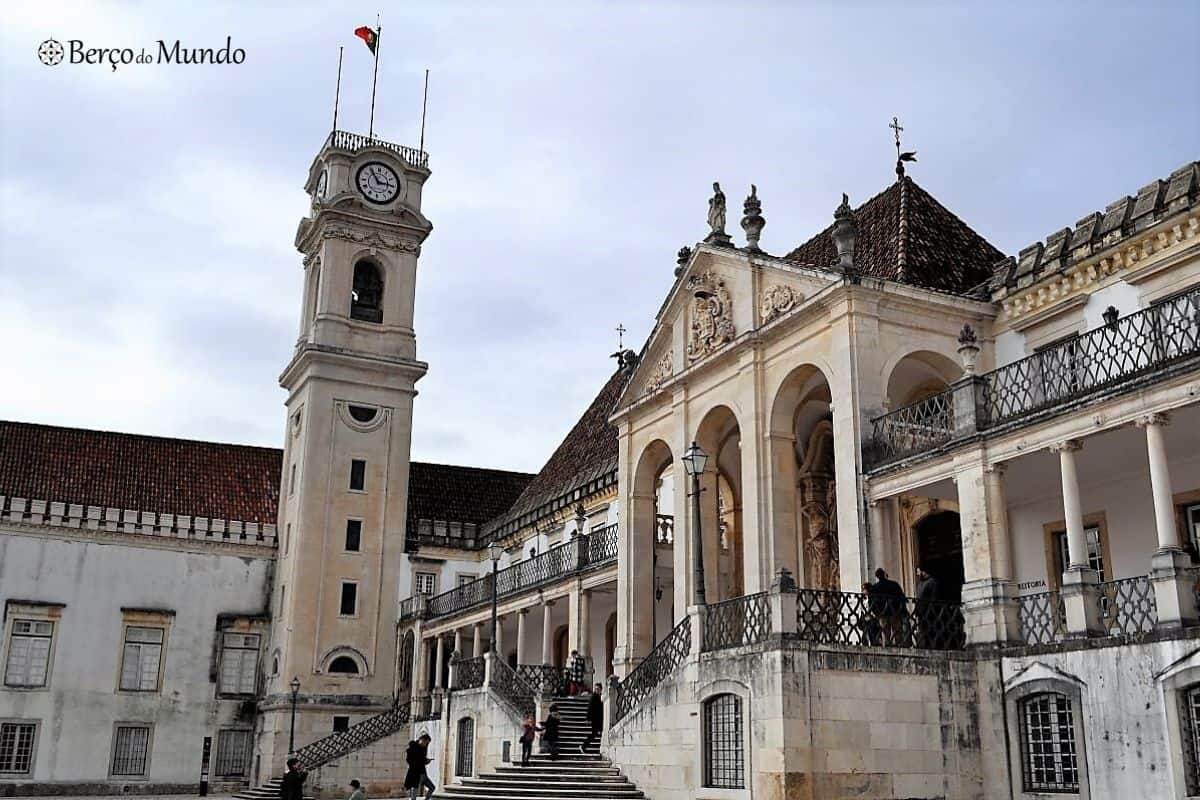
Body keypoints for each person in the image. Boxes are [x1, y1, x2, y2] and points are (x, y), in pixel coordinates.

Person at [872, 568, 907, 646]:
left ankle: (887, 647)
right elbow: (901, 597)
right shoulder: (894, 584)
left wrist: (877, 613)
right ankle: (899, 647)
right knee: (897, 633)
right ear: (884, 574)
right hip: (894, 612)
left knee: (885, 634)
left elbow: (872, 603)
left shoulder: (875, 587)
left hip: (882, 614)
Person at [915, 566, 942, 649]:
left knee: (932, 629)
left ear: (924, 572)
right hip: (921, 611)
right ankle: (925, 645)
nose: (917, 574)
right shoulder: (920, 584)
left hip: (930, 611)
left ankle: (934, 645)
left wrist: (932, 609)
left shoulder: (932, 582)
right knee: (923, 630)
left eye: (919, 572)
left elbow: (934, 597)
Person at [404, 733, 435, 800]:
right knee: (415, 789)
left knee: (432, 787)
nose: (426, 744)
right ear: (422, 739)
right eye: (426, 742)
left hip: (423, 773)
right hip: (416, 773)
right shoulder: (413, 748)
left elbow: (422, 760)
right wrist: (423, 761)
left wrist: (426, 761)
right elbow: (409, 760)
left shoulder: (423, 749)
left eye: (427, 743)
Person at [581, 683, 604, 753]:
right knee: (594, 734)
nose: (596, 690)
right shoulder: (593, 697)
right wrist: (588, 718)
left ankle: (585, 746)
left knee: (597, 733)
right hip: (595, 719)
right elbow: (590, 708)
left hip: (599, 719)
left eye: (598, 689)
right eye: (595, 689)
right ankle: (583, 746)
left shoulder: (599, 696)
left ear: (600, 690)